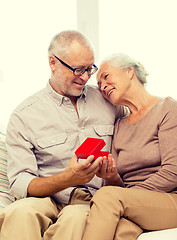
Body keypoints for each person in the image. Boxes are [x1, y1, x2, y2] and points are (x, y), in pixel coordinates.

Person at [0, 31, 126, 240]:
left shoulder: (108, 102)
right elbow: (20, 183)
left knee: (76, 219)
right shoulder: (24, 115)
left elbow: (140, 116)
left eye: (89, 69)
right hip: (45, 198)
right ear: (53, 63)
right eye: (78, 69)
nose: (85, 77)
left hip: (90, 200)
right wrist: (67, 179)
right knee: (19, 213)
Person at [82, 53, 177, 240]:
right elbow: (119, 186)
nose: (102, 87)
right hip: (133, 204)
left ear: (129, 71)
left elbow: (173, 171)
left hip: (170, 199)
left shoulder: (168, 109)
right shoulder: (118, 126)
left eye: (106, 77)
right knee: (119, 232)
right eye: (99, 85)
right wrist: (112, 178)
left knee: (107, 196)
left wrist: (124, 195)